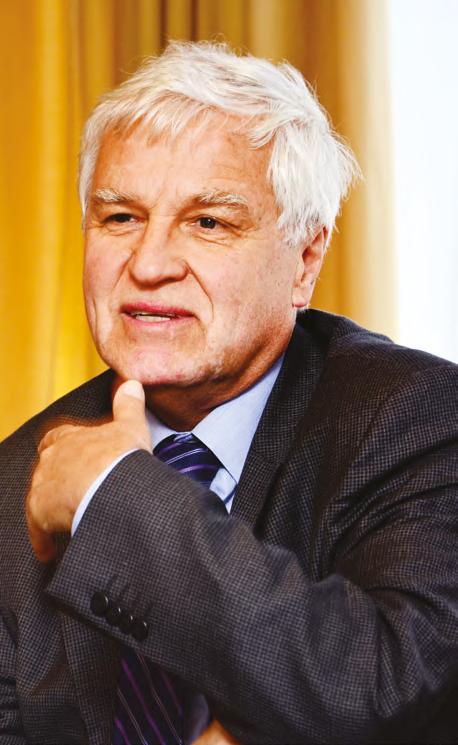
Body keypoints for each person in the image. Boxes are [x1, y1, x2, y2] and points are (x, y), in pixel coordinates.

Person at [0, 40, 457, 745]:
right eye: (120, 217)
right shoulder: (16, 476)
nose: (148, 264)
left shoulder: (417, 419)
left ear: (305, 261)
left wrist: (111, 496)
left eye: (208, 222)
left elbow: (379, 688)